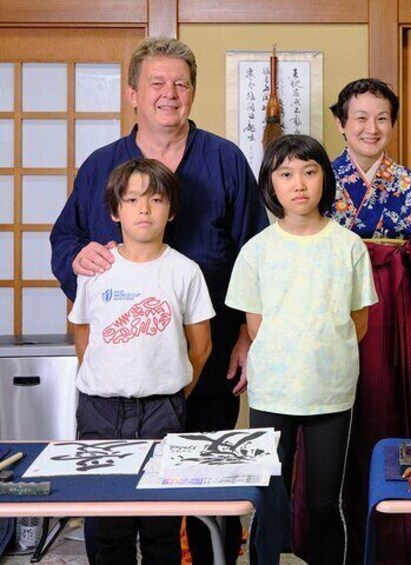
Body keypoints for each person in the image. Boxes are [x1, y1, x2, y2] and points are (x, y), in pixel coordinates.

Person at [49, 37, 268, 563]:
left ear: (192, 92)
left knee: (204, 488)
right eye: (157, 83)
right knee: (118, 501)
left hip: (207, 355)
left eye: (181, 84)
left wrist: (244, 337)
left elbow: (256, 255)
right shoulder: (103, 164)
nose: (170, 94)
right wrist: (79, 259)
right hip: (123, 375)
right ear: (133, 93)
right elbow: (66, 242)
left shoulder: (225, 160)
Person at [296, 77, 411, 565]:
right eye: (359, 117)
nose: (371, 127)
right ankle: (325, 545)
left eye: (382, 117)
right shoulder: (316, 181)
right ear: (341, 123)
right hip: (326, 313)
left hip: (392, 314)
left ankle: (387, 545)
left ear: (393, 124)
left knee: (383, 421)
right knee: (324, 426)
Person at [226, 134, 378, 565]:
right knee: (270, 502)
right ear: (270, 184)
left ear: (324, 180)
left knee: (324, 503)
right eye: (286, 174)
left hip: (331, 390)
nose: (299, 184)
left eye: (310, 172)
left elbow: (358, 322)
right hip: (273, 391)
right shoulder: (256, 250)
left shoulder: (347, 245)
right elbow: (255, 327)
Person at [69, 159, 214, 565]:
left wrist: (170, 390)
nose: (144, 209)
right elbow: (84, 332)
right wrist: (105, 377)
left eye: (155, 199)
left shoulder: (185, 271)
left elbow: (200, 347)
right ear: (115, 211)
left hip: (162, 410)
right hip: (100, 410)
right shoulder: (97, 269)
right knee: (108, 523)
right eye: (131, 200)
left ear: (172, 209)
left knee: (161, 524)